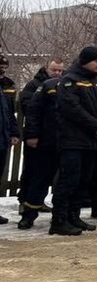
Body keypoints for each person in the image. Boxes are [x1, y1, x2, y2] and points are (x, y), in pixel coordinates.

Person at [51, 46, 97, 236]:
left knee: (84, 181)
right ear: (85, 61)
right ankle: (59, 220)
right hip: (73, 140)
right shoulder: (69, 81)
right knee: (69, 180)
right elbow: (72, 109)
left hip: (93, 141)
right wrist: (96, 125)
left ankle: (74, 216)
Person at [15, 60, 64, 228]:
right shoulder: (35, 85)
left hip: (59, 138)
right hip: (40, 138)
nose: (57, 73)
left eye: (59, 70)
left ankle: (54, 211)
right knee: (34, 174)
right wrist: (33, 134)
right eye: (54, 69)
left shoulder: (63, 85)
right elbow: (29, 108)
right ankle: (26, 206)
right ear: (46, 68)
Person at [0, 57, 18, 223]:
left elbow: (9, 114)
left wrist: (14, 133)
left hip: (2, 138)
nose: (2, 70)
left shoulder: (5, 87)